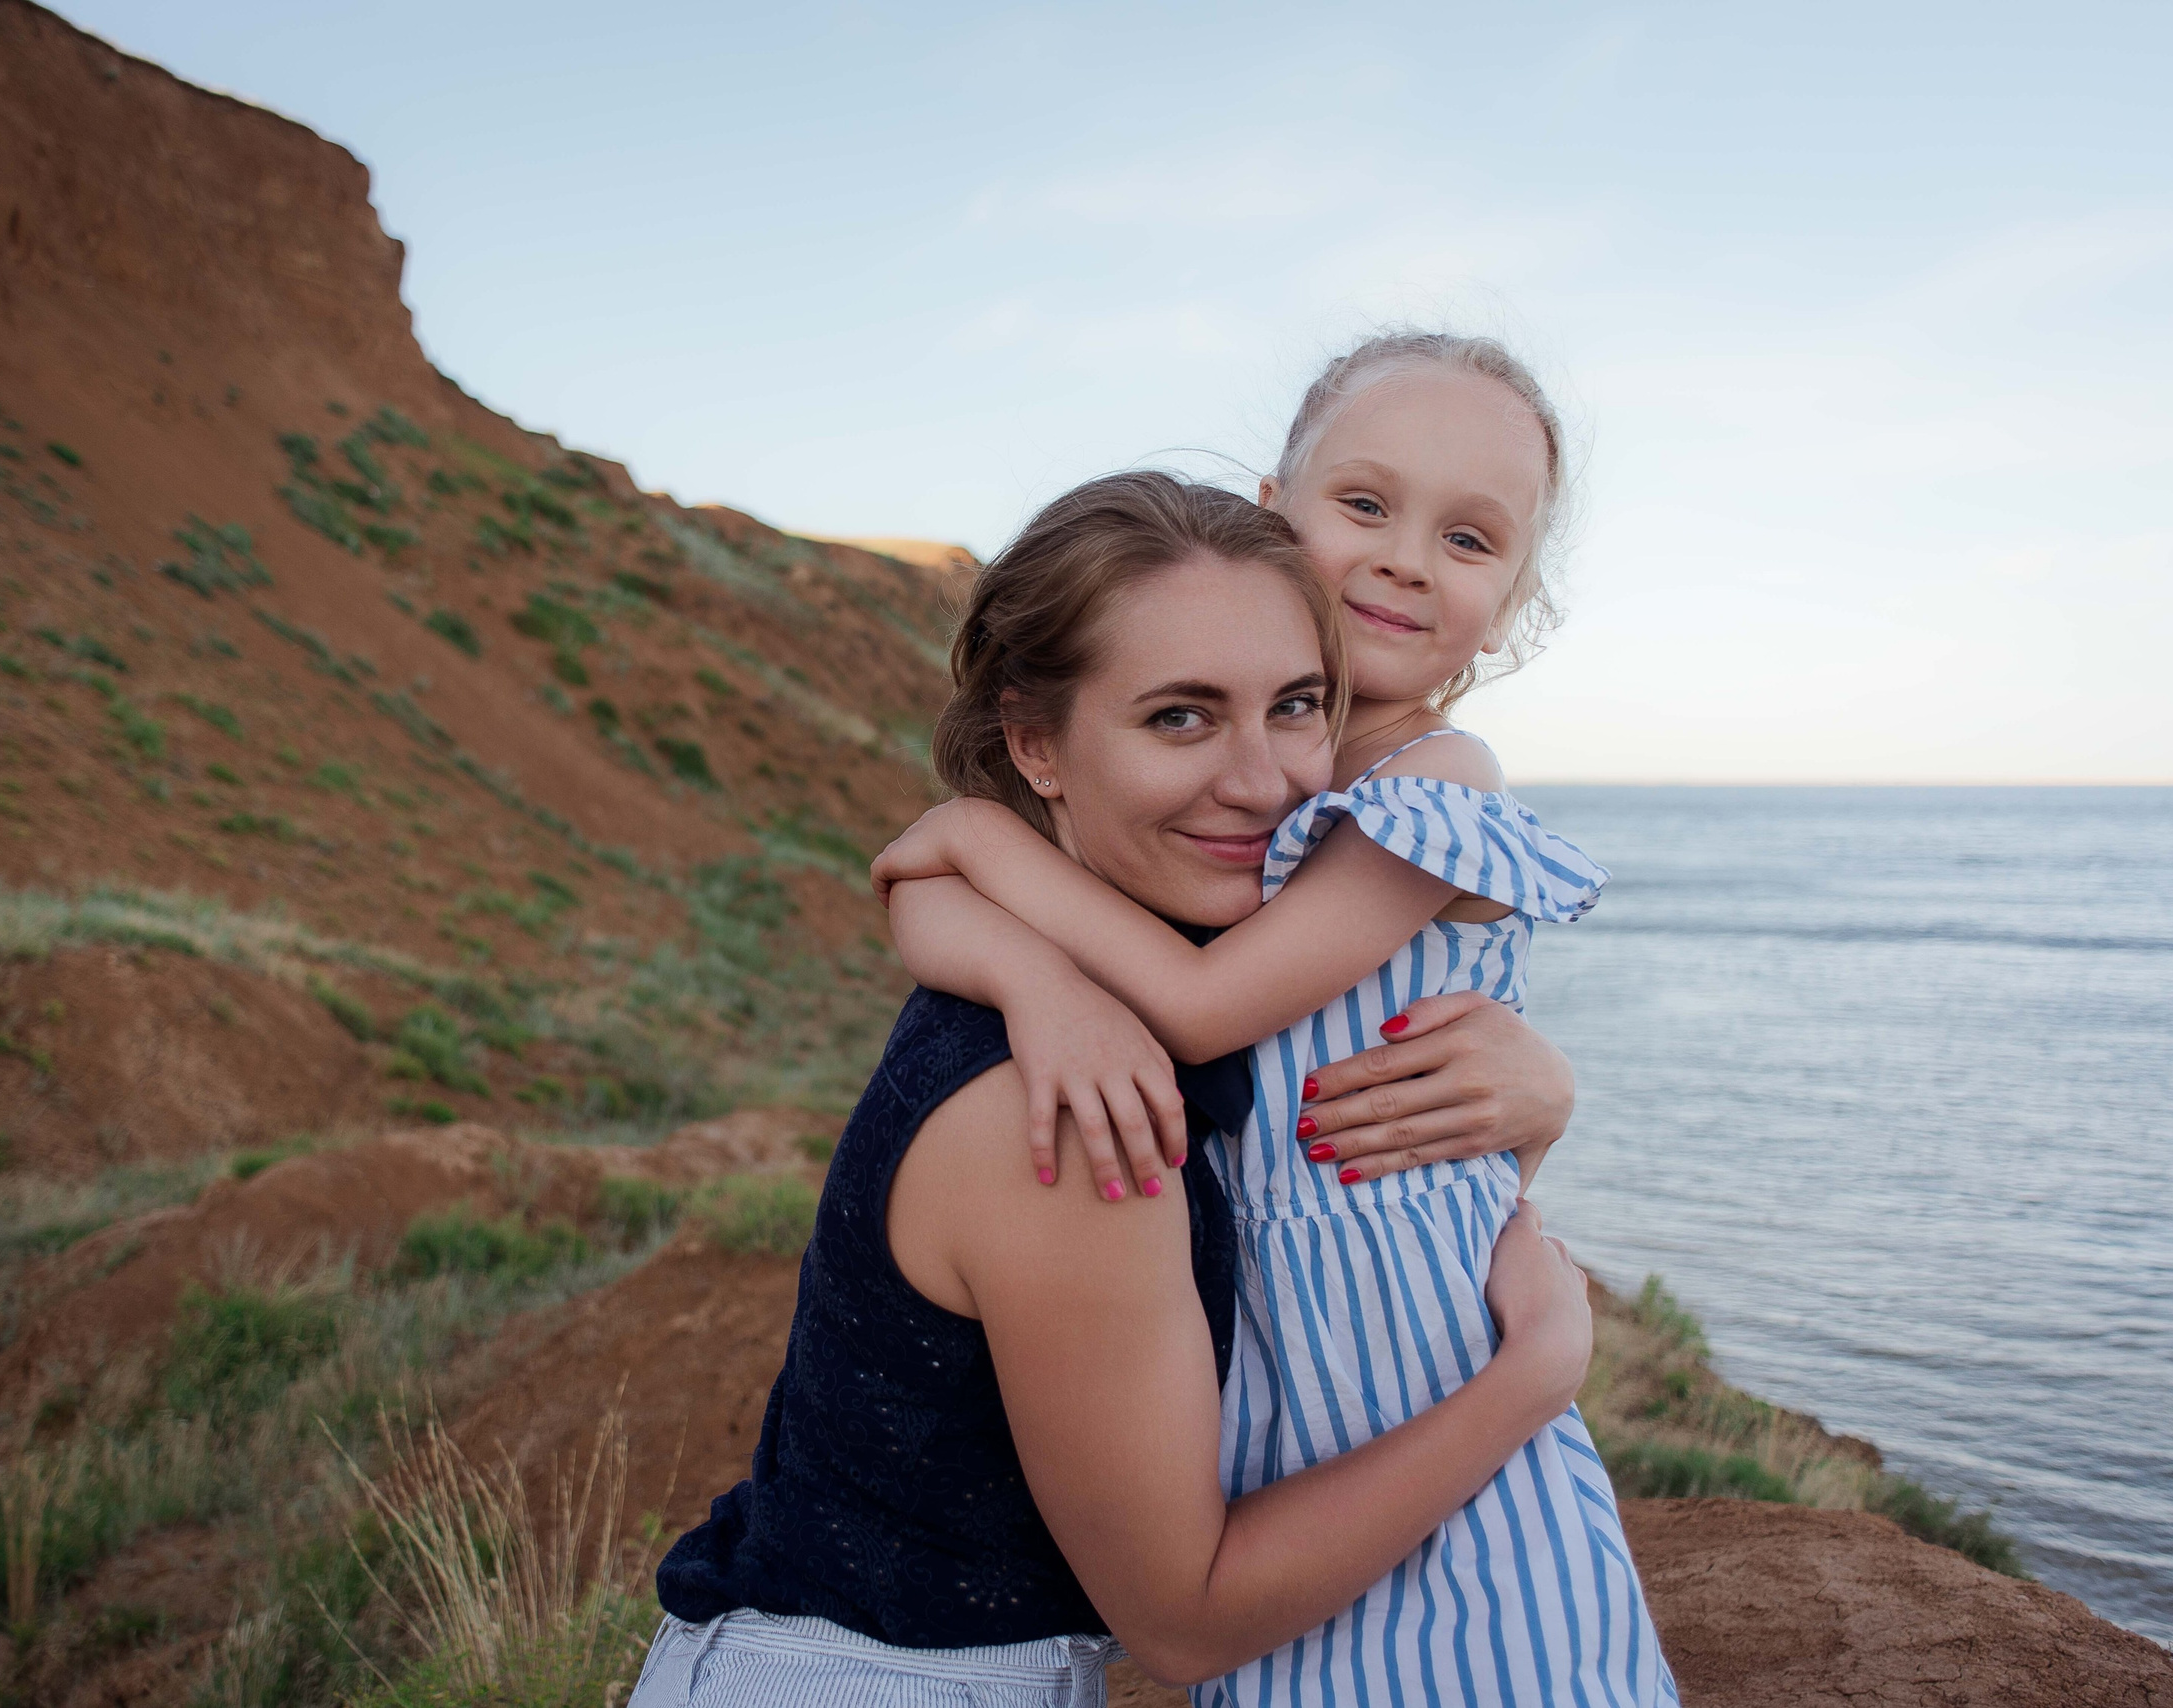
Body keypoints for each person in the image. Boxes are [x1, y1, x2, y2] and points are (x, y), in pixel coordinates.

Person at [640, 473, 1598, 1708]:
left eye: (1296, 705)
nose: (1263, 784)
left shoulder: (1119, 983)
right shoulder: (1077, 1113)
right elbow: (1188, 1619)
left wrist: (1538, 1089)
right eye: (1180, 719)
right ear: (1033, 742)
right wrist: (1530, 1376)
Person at [870, 334, 1679, 1705]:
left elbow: (1197, 1008)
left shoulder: (1431, 784)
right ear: (1271, 512)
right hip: (1269, 1416)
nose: (1408, 559)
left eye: (1469, 540)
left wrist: (966, 832)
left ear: (1513, 602)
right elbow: (920, 904)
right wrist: (1036, 979)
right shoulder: (1244, 785)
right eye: (1365, 505)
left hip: (1415, 1385)